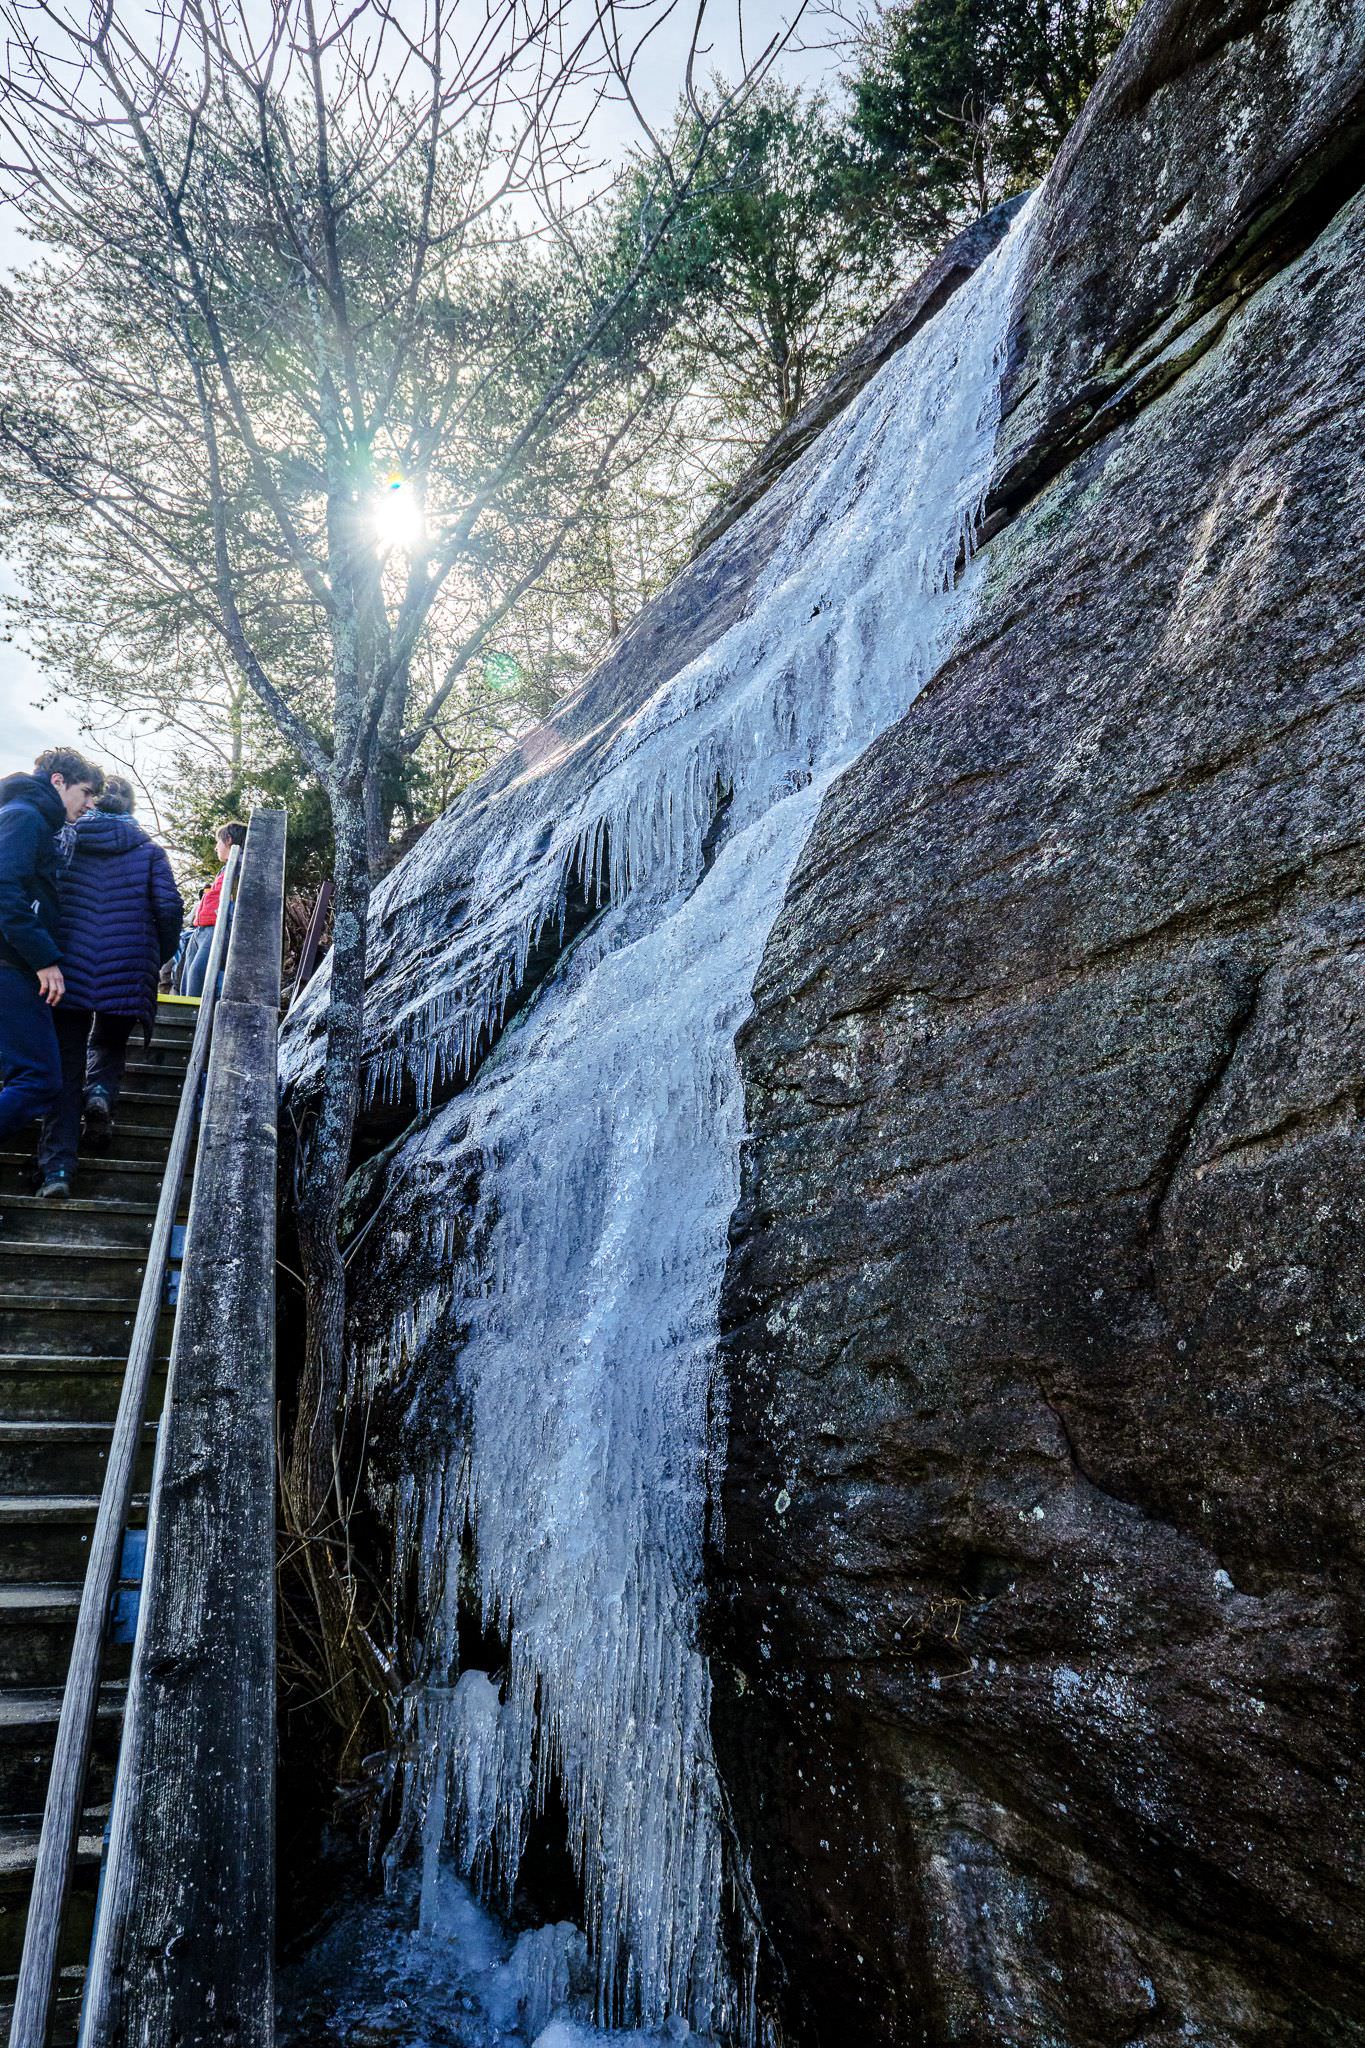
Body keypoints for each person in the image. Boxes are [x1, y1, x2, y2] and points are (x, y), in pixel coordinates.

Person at [34, 775, 184, 1194]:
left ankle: (58, 1170)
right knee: (110, 1041)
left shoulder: (67, 840)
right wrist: (157, 951)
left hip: (68, 967)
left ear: (94, 803)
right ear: (131, 808)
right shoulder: (150, 851)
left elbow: (47, 894)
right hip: (130, 962)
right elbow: (170, 908)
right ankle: (99, 1090)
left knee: (65, 1063)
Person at [0, 747, 104, 1165]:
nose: (92, 803)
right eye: (86, 792)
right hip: (10, 965)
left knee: (32, 1076)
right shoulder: (24, 816)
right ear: (58, 781)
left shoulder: (30, 817)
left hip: (13, 962)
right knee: (39, 1078)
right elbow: (4, 891)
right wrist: (44, 958)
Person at [178, 821, 247, 998]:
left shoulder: (240, 865)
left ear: (229, 840)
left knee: (199, 974)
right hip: (200, 929)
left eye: (219, 842)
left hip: (215, 928)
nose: (216, 847)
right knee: (186, 975)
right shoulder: (225, 869)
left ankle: (194, 1019)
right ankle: (185, 1012)